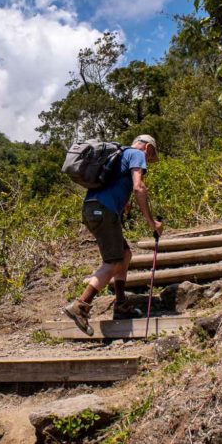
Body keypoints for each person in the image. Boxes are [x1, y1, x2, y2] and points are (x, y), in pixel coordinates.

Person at [63, 134, 164, 335]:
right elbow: (139, 187)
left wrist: (123, 204)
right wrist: (152, 223)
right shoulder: (137, 154)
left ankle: (120, 305)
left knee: (125, 254)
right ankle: (81, 305)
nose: (149, 159)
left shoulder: (118, 156)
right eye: (151, 155)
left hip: (92, 209)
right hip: (104, 211)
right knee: (114, 262)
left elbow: (116, 185)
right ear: (148, 148)